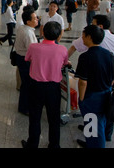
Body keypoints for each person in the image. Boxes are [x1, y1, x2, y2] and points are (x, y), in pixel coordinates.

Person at [21, 21, 69, 149]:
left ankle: (32, 144)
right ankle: (54, 145)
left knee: (35, 117)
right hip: (53, 88)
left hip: (35, 86)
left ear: (42, 33)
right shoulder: (62, 49)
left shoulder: (34, 47)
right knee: (54, 118)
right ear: (59, 35)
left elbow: (27, 59)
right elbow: (64, 63)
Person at [75, 25, 114, 148]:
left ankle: (94, 145)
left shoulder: (85, 57)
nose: (82, 39)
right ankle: (90, 143)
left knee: (94, 125)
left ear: (89, 37)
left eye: (83, 36)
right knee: (99, 121)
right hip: (106, 93)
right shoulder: (110, 55)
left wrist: (81, 99)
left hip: (91, 97)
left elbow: (83, 82)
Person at [13, 7, 38, 115]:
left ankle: (23, 105)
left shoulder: (22, 28)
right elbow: (32, 50)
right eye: (35, 18)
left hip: (20, 58)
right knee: (27, 84)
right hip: (25, 60)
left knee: (25, 83)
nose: (37, 19)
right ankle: (24, 107)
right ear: (28, 21)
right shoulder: (28, 33)